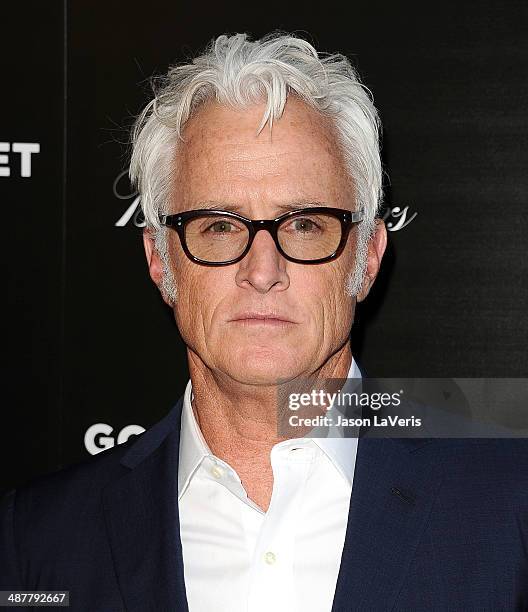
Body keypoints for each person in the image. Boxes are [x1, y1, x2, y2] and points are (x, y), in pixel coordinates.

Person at [1, 32, 527, 612]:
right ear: (159, 259)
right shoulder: (37, 541)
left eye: (305, 225)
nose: (262, 269)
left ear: (368, 257)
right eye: (219, 226)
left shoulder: (511, 504)